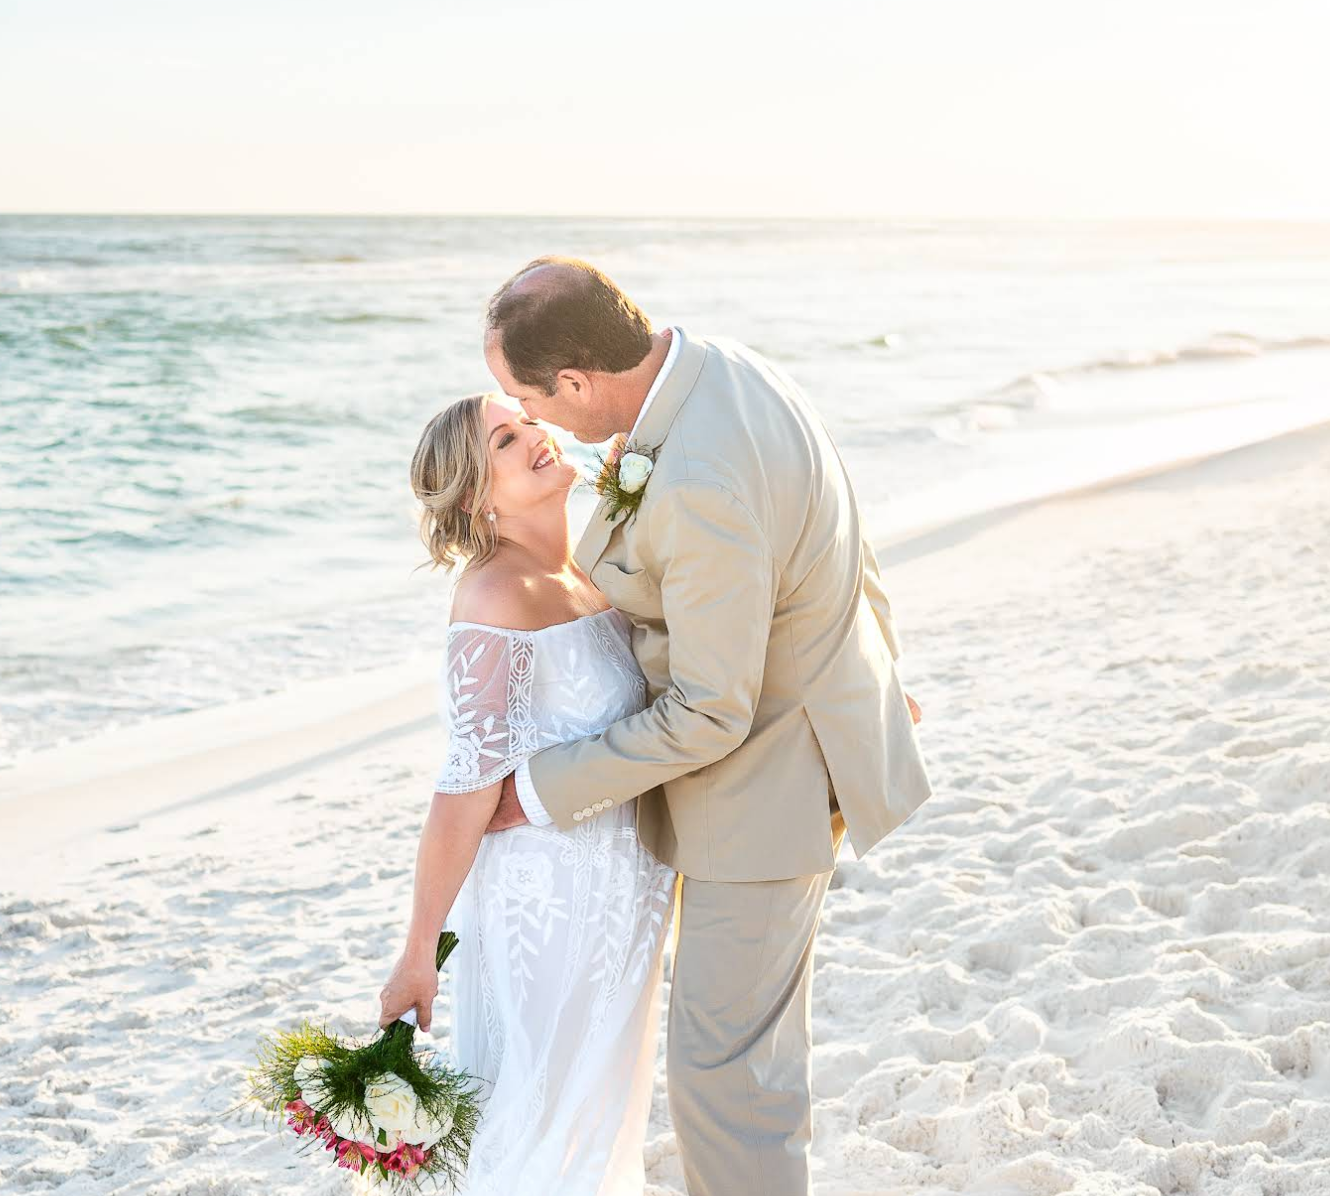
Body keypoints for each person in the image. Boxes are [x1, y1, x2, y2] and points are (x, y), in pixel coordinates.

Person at [478, 257, 934, 1196]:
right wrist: (876, 667)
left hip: (767, 795)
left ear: (576, 380)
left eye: (528, 398)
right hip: (805, 737)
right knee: (750, 1060)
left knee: (728, 1082)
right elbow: (841, 525)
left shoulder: (698, 478)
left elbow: (712, 713)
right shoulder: (726, 365)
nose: (537, 423)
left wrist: (535, 790)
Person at [378, 391, 676, 1196]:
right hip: (551, 903)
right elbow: (464, 787)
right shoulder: (496, 596)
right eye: (506, 440)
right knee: (545, 1120)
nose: (536, 436)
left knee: (599, 1111)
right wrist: (418, 952)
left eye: (527, 421)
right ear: (478, 496)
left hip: (625, 896)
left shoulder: (583, 571)